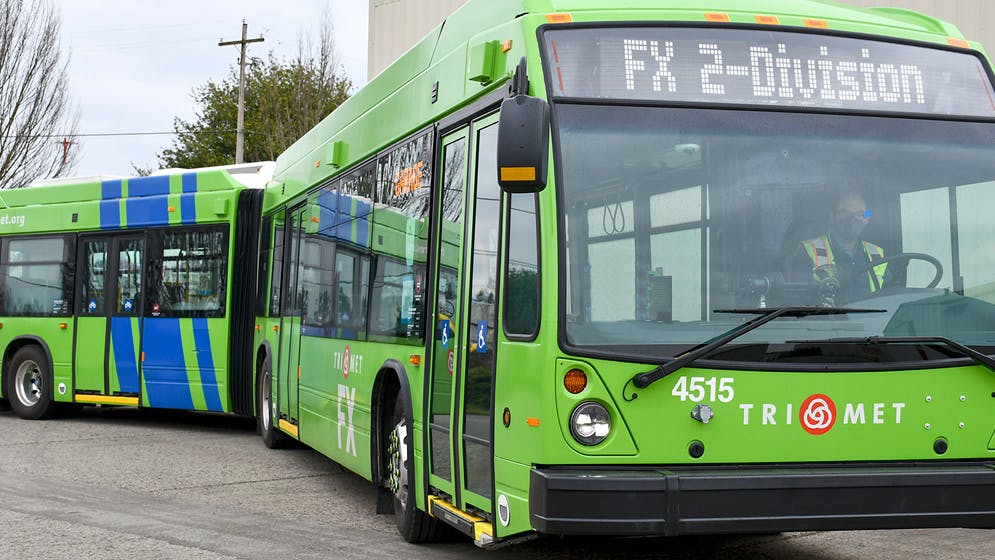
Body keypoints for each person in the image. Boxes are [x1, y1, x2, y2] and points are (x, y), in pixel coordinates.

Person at [787, 192, 888, 305]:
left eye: (860, 214)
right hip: (828, 320)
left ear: (867, 219)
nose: (853, 219)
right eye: (845, 213)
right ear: (832, 216)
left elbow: (889, 295)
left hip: (875, 320)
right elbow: (800, 301)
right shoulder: (808, 251)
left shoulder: (877, 254)